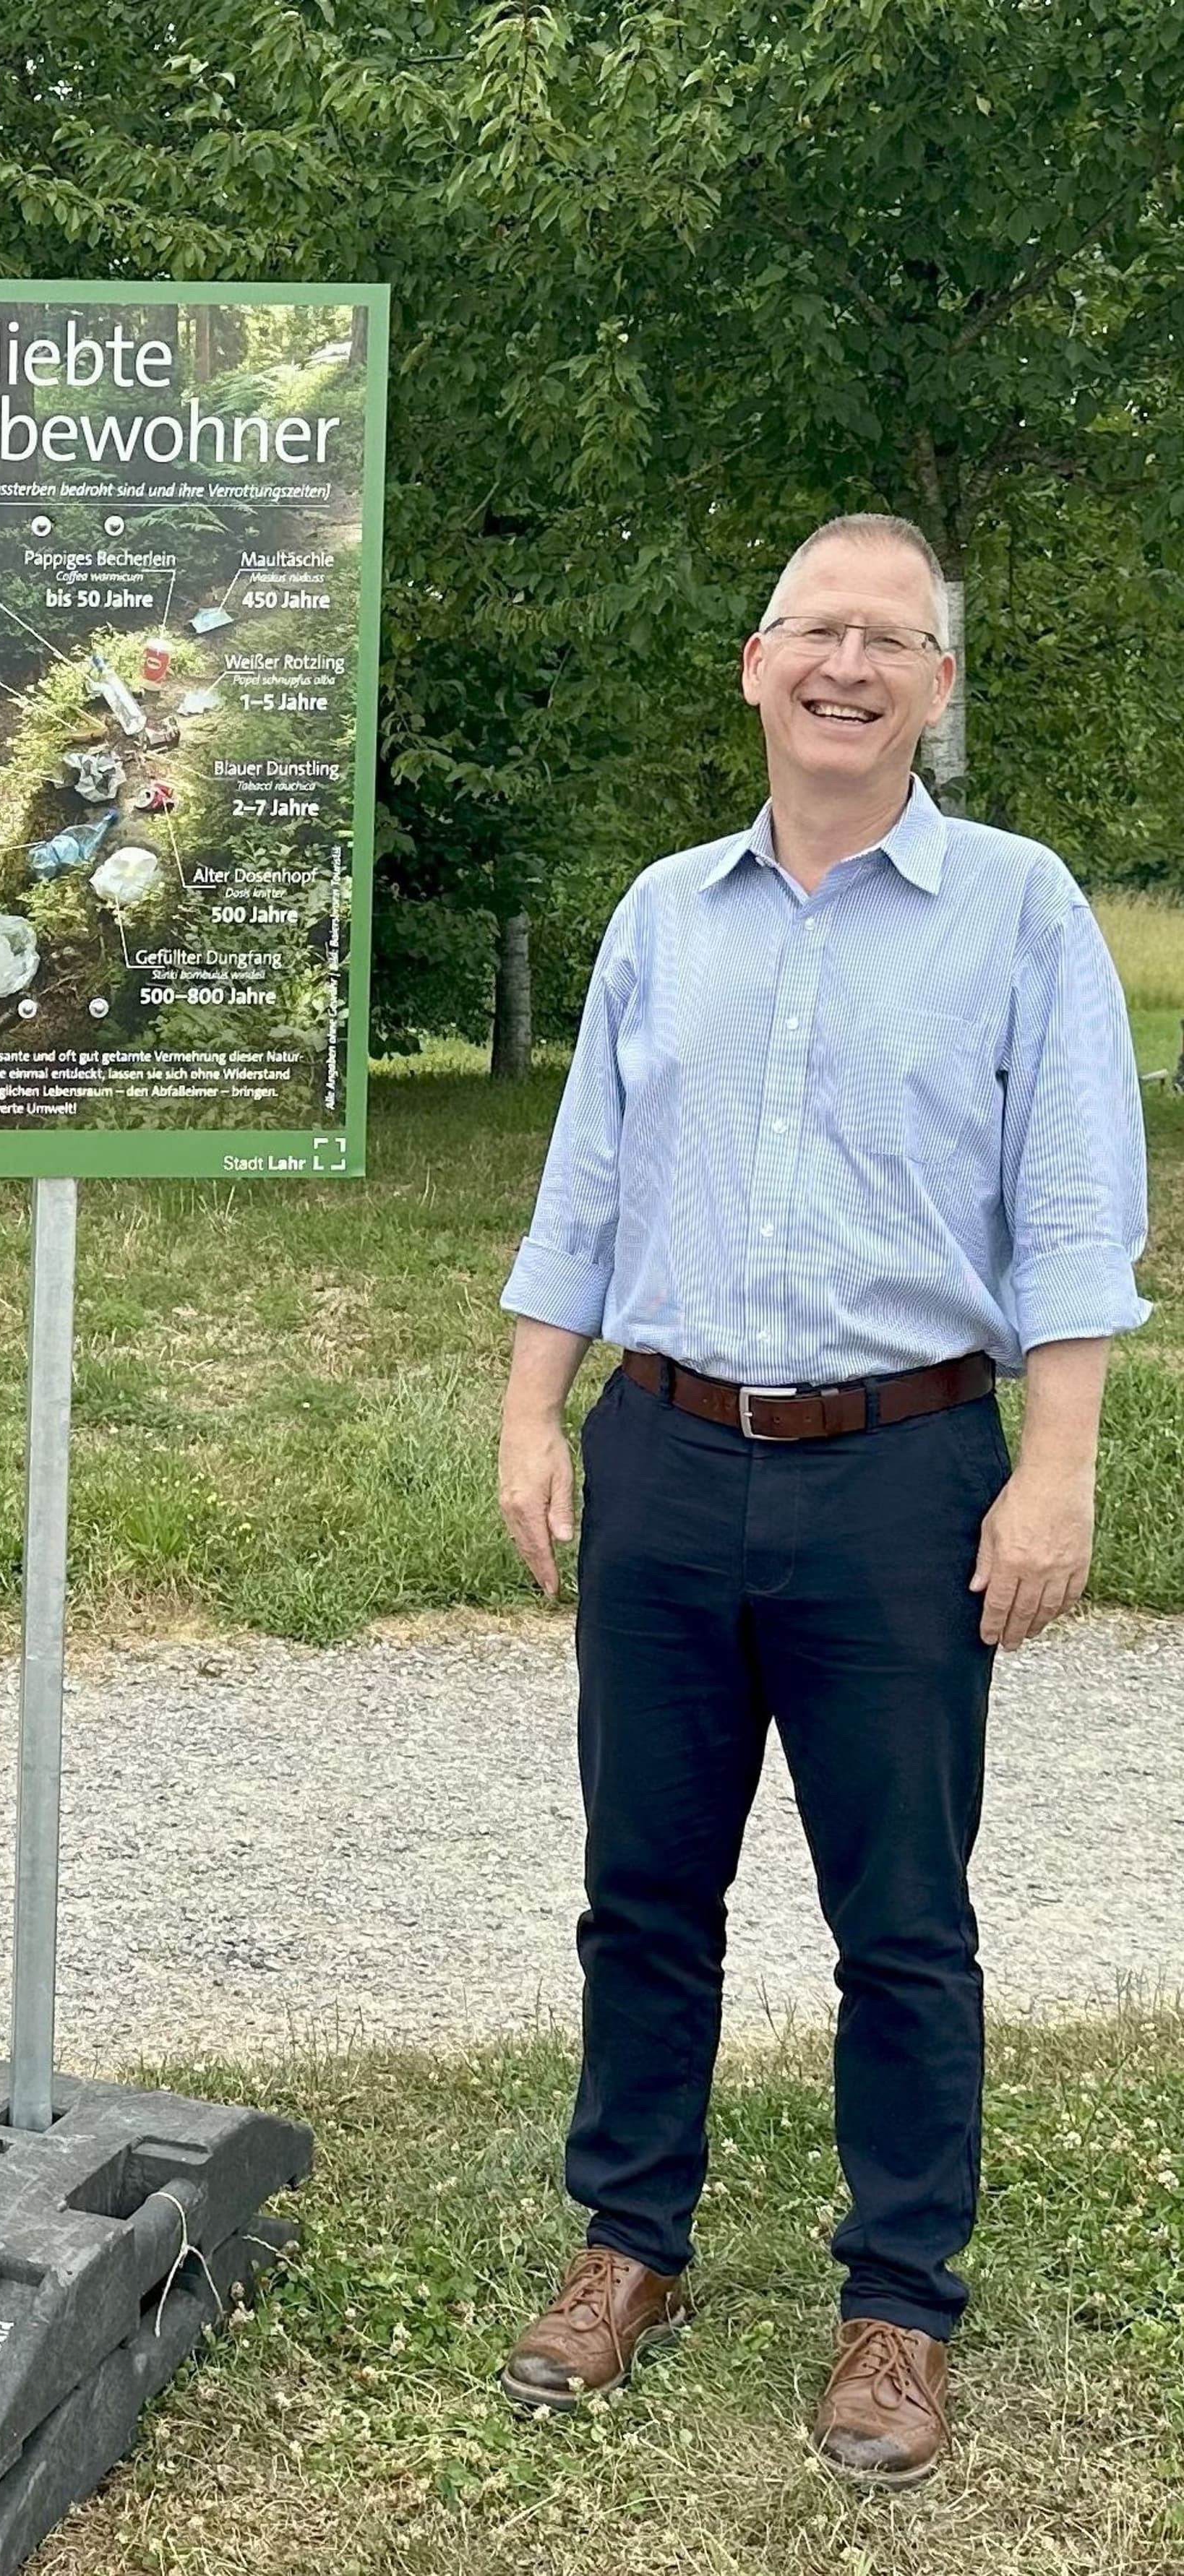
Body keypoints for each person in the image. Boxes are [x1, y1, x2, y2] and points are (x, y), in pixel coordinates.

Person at [492, 513, 1149, 2486]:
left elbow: (1076, 1207)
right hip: (671, 1454)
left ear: (938, 689)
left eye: (893, 638)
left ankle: (897, 2302)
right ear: (757, 667)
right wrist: (539, 1412)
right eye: (815, 630)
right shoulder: (660, 914)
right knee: (645, 1888)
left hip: (909, 1470)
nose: (848, 664)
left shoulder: (1022, 912)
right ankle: (630, 2243)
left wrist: (1058, 1464)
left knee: (903, 1915)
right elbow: (584, 1190)